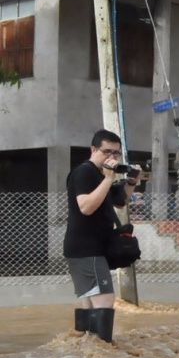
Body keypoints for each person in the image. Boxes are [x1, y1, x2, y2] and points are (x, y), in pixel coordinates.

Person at [64, 129, 138, 343]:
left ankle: (83, 352)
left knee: (88, 302)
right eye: (107, 152)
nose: (112, 158)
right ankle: (103, 351)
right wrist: (108, 179)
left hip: (86, 249)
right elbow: (85, 206)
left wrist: (132, 182)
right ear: (93, 149)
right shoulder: (84, 172)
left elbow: (120, 200)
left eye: (116, 153)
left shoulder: (100, 175)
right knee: (105, 299)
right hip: (87, 249)